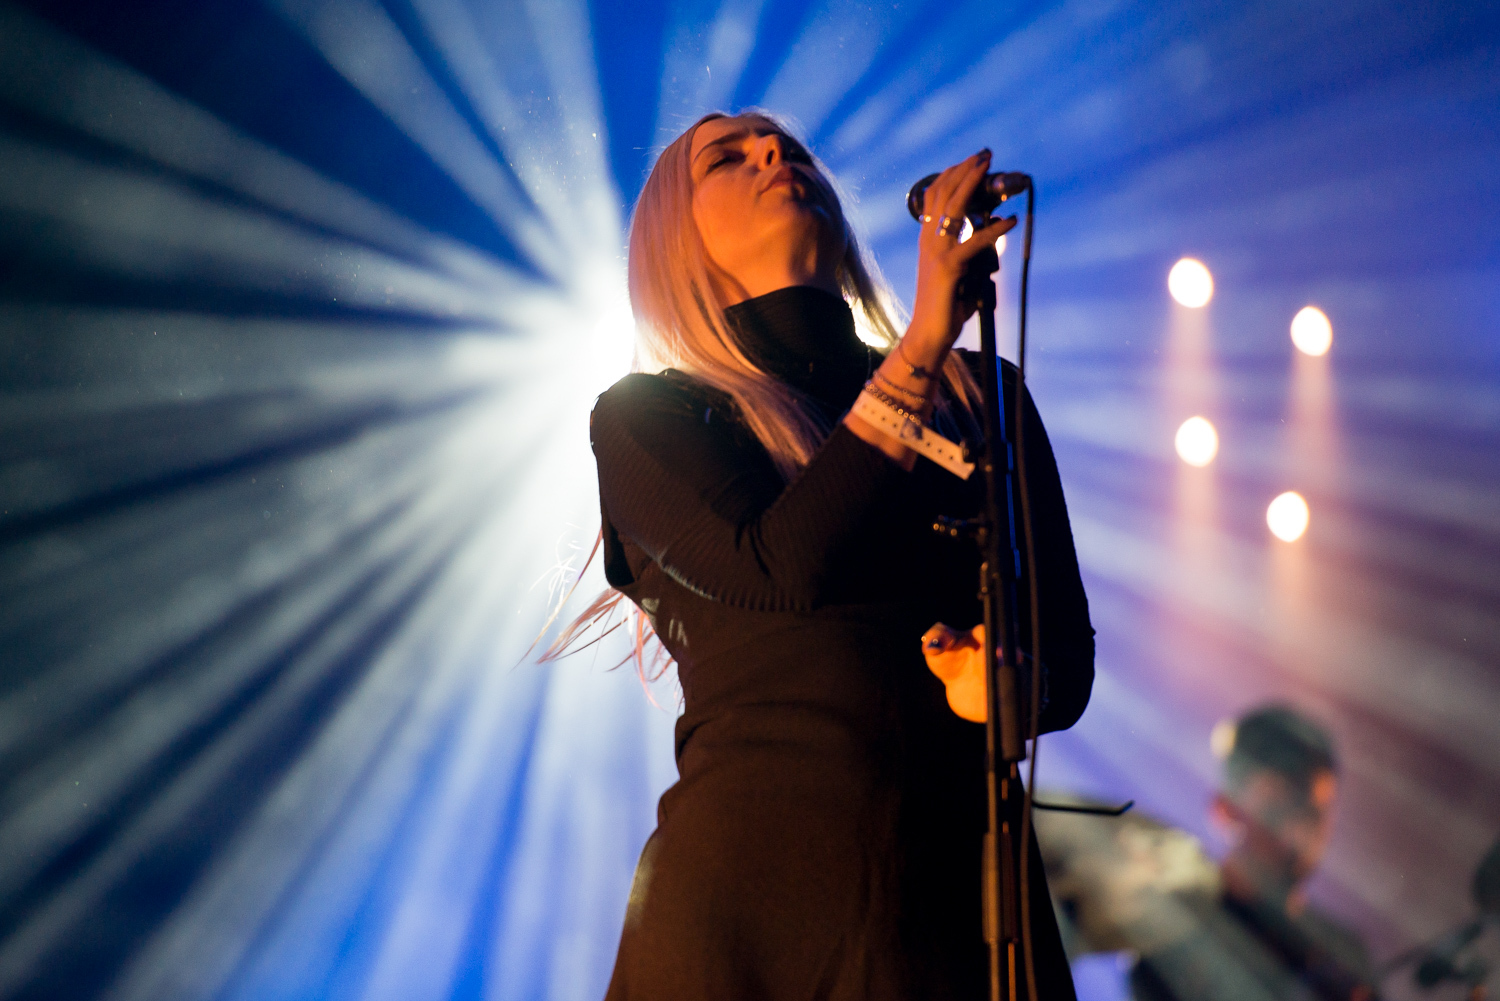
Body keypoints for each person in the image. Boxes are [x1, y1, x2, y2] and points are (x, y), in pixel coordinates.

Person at [575, 109, 1095, 1000]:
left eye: (787, 146)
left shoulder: (984, 396)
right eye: (726, 159)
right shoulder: (651, 417)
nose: (774, 151)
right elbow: (779, 565)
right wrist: (921, 348)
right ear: (674, 245)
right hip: (751, 920)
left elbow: (1068, 665)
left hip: (952, 914)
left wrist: (1013, 685)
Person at [1040, 705, 1375, 1001]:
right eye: (1278, 806)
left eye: (1314, 812)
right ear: (1225, 808)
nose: (1296, 831)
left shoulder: (1346, 956)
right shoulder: (1169, 938)